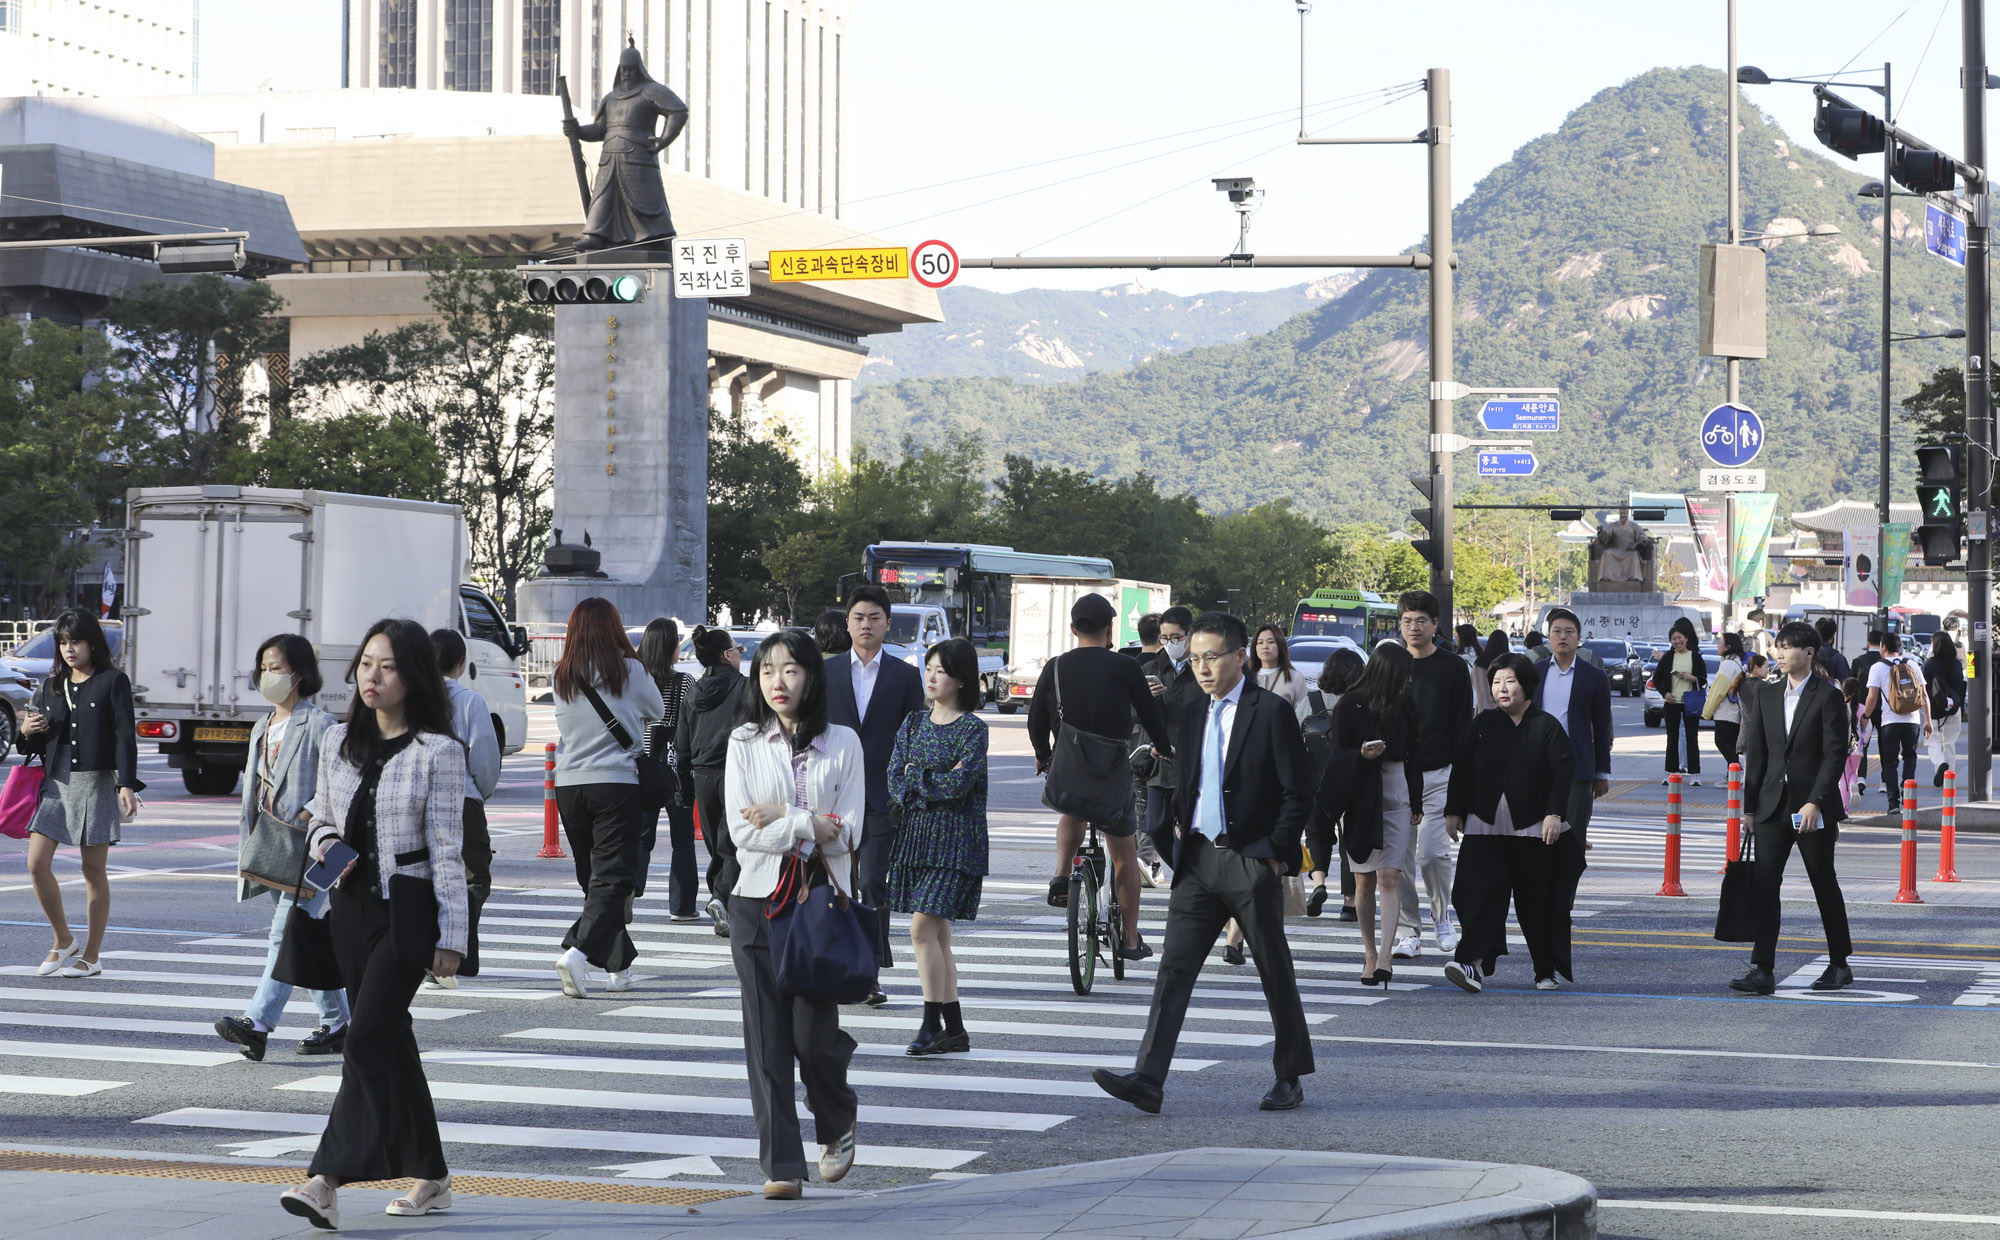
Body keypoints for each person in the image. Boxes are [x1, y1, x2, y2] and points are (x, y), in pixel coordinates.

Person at [278, 618, 469, 1230]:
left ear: (412, 676)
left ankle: (325, 1180)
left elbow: (447, 847)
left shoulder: (438, 752)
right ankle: (433, 1177)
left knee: (363, 1040)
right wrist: (326, 836)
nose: (372, 676)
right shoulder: (337, 741)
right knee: (390, 1040)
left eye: (386, 666)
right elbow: (319, 817)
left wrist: (453, 937)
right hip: (347, 908)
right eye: (365, 664)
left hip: (405, 914)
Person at [1091, 612, 1315, 1116]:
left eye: (1211, 657)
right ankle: (1149, 1077)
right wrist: (1174, 838)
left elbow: (1299, 791)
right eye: (1194, 659)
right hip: (1196, 860)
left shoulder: (1270, 711)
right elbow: (1185, 779)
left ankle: (1290, 1075)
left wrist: (1274, 854)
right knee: (1174, 968)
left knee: (1272, 968)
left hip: (1249, 859)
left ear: (1240, 656)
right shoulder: (1191, 713)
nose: (1202, 668)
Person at [723, 629, 863, 1200]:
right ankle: (781, 1165)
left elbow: (849, 831)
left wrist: (781, 814)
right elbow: (739, 832)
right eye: (766, 671)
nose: (777, 682)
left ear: (811, 676)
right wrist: (807, 822)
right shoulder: (743, 741)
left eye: (790, 670)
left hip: (817, 906)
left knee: (812, 1038)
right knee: (767, 1043)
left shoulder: (844, 743)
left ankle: (837, 1118)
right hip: (755, 902)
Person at [215, 635, 348, 1057]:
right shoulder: (262, 725)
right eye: (264, 668)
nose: (267, 676)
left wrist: (311, 811)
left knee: (286, 934)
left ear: (300, 674)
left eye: (276, 668)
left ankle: (257, 1022)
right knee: (302, 937)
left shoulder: (322, 724)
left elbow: (343, 781)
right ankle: (339, 1021)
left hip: (323, 847)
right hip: (274, 846)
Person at [1029, 593, 1174, 961]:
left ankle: (1062, 874)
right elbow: (1150, 714)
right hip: (1112, 767)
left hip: (1068, 766)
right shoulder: (1126, 667)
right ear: (1110, 628)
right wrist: (1163, 746)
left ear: (1074, 628)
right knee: (1124, 857)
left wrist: (1043, 756)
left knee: (1072, 810)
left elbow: (1035, 720)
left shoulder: (1057, 666)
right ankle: (1128, 939)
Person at [16, 609, 140, 980]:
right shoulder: (52, 685)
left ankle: (92, 955)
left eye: (77, 642)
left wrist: (126, 784)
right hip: (55, 784)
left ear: (92, 643)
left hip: (96, 782)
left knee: (92, 871)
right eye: (63, 643)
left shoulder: (112, 681)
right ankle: (63, 938)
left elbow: (124, 736)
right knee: (36, 865)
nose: (70, 649)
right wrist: (25, 729)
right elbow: (31, 745)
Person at [1732, 620, 1854, 996]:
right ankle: (1763, 969)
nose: (1780, 654)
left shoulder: (1828, 696)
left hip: (1810, 809)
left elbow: (1835, 754)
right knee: (1766, 885)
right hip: (1770, 807)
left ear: (1809, 653)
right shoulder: (1767, 695)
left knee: (1823, 883)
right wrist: (1749, 809)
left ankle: (1839, 964)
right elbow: (1759, 755)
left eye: (1788, 648)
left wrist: (1816, 801)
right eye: (1778, 647)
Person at [550, 597, 664, 997]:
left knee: (595, 877)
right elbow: (659, 710)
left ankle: (618, 966)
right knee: (614, 878)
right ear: (613, 627)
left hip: (568, 783)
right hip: (615, 782)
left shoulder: (561, 672)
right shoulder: (629, 669)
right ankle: (577, 953)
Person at [1441, 652, 1575, 993]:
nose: (1502, 688)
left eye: (1510, 681)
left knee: (1537, 902)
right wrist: (1453, 811)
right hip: (1484, 827)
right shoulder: (1482, 725)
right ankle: (1470, 963)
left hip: (1534, 830)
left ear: (1526, 685)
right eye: (1497, 682)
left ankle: (1545, 969)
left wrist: (1554, 813)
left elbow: (1562, 773)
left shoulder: (1546, 726)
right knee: (1476, 896)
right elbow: (1462, 769)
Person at [887, 638, 989, 1056]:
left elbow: (962, 785)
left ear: (961, 679)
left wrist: (918, 777)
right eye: (928, 667)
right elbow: (894, 779)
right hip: (916, 838)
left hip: (956, 841)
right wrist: (927, 780)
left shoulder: (973, 728)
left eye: (941, 670)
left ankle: (930, 1026)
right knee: (939, 935)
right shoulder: (912, 723)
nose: (931, 676)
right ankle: (955, 1029)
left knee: (922, 929)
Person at [825, 585, 926, 997]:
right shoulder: (826, 672)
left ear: (887, 623)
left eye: (874, 618)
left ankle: (869, 973)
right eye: (858, 617)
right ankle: (833, 965)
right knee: (834, 883)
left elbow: (916, 733)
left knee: (871, 884)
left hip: (882, 798)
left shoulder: (904, 675)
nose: (866, 624)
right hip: (830, 794)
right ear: (847, 623)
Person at [1320, 642, 1424, 984]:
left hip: (1396, 789)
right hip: (1361, 791)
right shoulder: (1351, 702)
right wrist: (1360, 754)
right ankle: (1368, 951)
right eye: (1404, 675)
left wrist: (1417, 800)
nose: (1408, 682)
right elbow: (1338, 753)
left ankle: (1384, 956)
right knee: (1363, 881)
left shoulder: (1405, 704)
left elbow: (1414, 753)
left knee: (1389, 877)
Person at [1393, 590, 1471, 959]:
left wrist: (1461, 777)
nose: (1414, 627)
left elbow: (1463, 725)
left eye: (1421, 620)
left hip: (1439, 772)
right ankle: (1409, 929)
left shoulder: (1453, 667)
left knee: (1431, 854)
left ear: (1435, 624)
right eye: (1407, 620)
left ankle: (1442, 916)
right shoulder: (1390, 663)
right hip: (1396, 775)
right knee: (1399, 858)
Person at [1531, 608, 1604, 970]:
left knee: (1571, 839)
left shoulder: (1593, 677)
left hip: (1577, 770)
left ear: (1579, 638)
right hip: (1537, 767)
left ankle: (1564, 904)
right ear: (1548, 637)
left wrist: (1601, 772)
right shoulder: (1535, 673)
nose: (1562, 637)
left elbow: (1602, 727)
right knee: (1538, 839)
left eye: (1569, 631)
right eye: (1556, 631)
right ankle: (1541, 900)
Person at [427, 628, 500, 988]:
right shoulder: (470, 701)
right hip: (462, 800)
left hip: (420, 803)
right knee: (474, 876)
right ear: (461, 663)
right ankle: (459, 954)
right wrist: (479, 794)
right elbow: (485, 757)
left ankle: (429, 951)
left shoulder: (411, 699)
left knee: (426, 876)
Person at [636, 617, 701, 922]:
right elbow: (695, 723)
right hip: (676, 772)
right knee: (683, 840)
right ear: (669, 646)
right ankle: (682, 906)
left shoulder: (634, 681)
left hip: (641, 772)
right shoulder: (684, 682)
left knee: (641, 838)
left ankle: (628, 893)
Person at [686, 626, 747, 937]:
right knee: (733, 843)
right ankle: (721, 897)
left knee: (716, 845)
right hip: (735, 773)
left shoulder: (692, 692)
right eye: (737, 648)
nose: (739, 653)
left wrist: (684, 786)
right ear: (727, 655)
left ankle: (718, 897)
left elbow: (682, 743)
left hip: (701, 775)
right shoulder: (745, 688)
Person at [1137, 606, 1202, 888]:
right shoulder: (1150, 670)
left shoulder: (1202, 669)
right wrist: (1148, 701)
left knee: (1187, 830)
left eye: (1176, 637)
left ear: (1189, 636)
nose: (1170, 643)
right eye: (1164, 638)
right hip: (1160, 761)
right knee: (1154, 825)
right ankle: (1191, 875)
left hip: (1193, 761)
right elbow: (1133, 715)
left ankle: (1191, 881)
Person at [1304, 647, 1366, 922]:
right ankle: (1350, 903)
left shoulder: (1310, 701)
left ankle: (1318, 882)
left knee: (1317, 833)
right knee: (1349, 838)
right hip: (1353, 778)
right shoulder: (1363, 702)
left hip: (1316, 779)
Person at [1863, 631, 1932, 814]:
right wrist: (1928, 721)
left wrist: (1865, 717)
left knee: (1890, 761)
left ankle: (1893, 802)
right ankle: (1908, 796)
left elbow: (1872, 698)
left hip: (1889, 722)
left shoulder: (1877, 667)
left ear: (1883, 647)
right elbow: (1924, 695)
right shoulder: (1912, 664)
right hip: (1912, 720)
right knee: (1910, 756)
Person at [1651, 618, 1706, 786]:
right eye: (1674, 639)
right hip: (1672, 703)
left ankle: (1695, 774)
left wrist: (1692, 678)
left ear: (1686, 638)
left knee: (1692, 737)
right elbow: (1657, 678)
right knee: (1672, 738)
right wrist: (1665, 693)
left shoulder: (1695, 657)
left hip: (1690, 703)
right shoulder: (1668, 657)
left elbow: (1703, 680)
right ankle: (1671, 773)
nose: (1677, 641)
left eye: (1680, 638)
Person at [1925, 632, 1966, 787]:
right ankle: (1948, 779)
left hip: (1935, 709)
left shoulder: (1930, 664)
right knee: (1949, 743)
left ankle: (1940, 764)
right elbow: (1958, 684)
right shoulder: (1956, 664)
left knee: (1932, 741)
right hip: (1953, 708)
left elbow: (1926, 688)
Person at [1849, 630, 1886, 798]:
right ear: (1882, 643)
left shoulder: (1858, 661)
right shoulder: (1885, 662)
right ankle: (1885, 782)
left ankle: (1861, 778)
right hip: (1884, 710)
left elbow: (1851, 685)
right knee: (1886, 746)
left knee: (1861, 744)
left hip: (1864, 709)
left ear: (1868, 642)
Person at [1703, 632, 1747, 770]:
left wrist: (1707, 711)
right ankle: (1731, 776)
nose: (1718, 645)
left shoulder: (1728, 664)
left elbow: (1718, 691)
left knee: (1722, 742)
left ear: (1728, 646)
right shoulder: (1735, 662)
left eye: (1720, 642)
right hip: (1733, 712)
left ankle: (1736, 771)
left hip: (1725, 712)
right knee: (1730, 745)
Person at [1252, 623, 1313, 722]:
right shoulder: (1246, 677)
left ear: (1280, 645)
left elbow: (1302, 716)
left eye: (1271, 642)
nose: (1265, 646)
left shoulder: (1294, 677)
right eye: (1260, 643)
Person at [1838, 678, 1872, 812]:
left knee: (1843, 777)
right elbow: (1868, 728)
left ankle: (1844, 808)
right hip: (1857, 747)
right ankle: (1854, 785)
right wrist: (1863, 742)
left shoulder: (1841, 707)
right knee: (1853, 773)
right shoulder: (1863, 708)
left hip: (1844, 746)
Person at [1472, 629, 1511, 712]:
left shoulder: (1478, 664)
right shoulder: (1507, 664)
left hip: (1482, 712)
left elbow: (1474, 685)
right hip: (1503, 712)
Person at [1812, 617, 1851, 684]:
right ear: (1833, 636)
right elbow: (1845, 683)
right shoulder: (1839, 658)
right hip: (1831, 693)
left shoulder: (1808, 655)